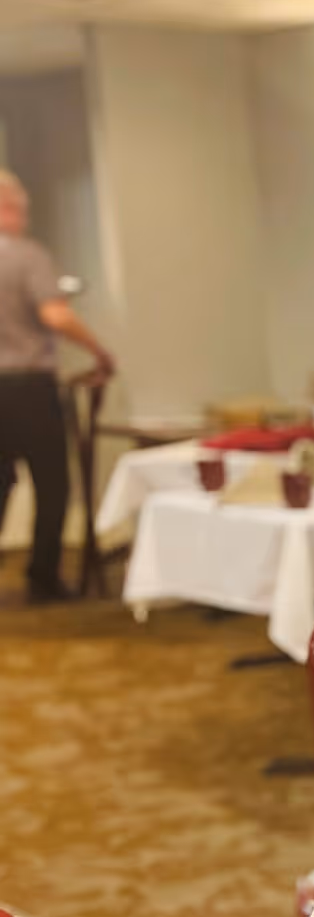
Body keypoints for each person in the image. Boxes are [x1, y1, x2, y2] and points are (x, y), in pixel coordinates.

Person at [0, 169, 115, 603]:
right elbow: (56, 316)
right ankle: (43, 576)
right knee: (52, 484)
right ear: (7, 207)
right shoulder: (28, 257)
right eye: (19, 210)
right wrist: (100, 353)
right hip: (28, 388)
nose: (23, 218)